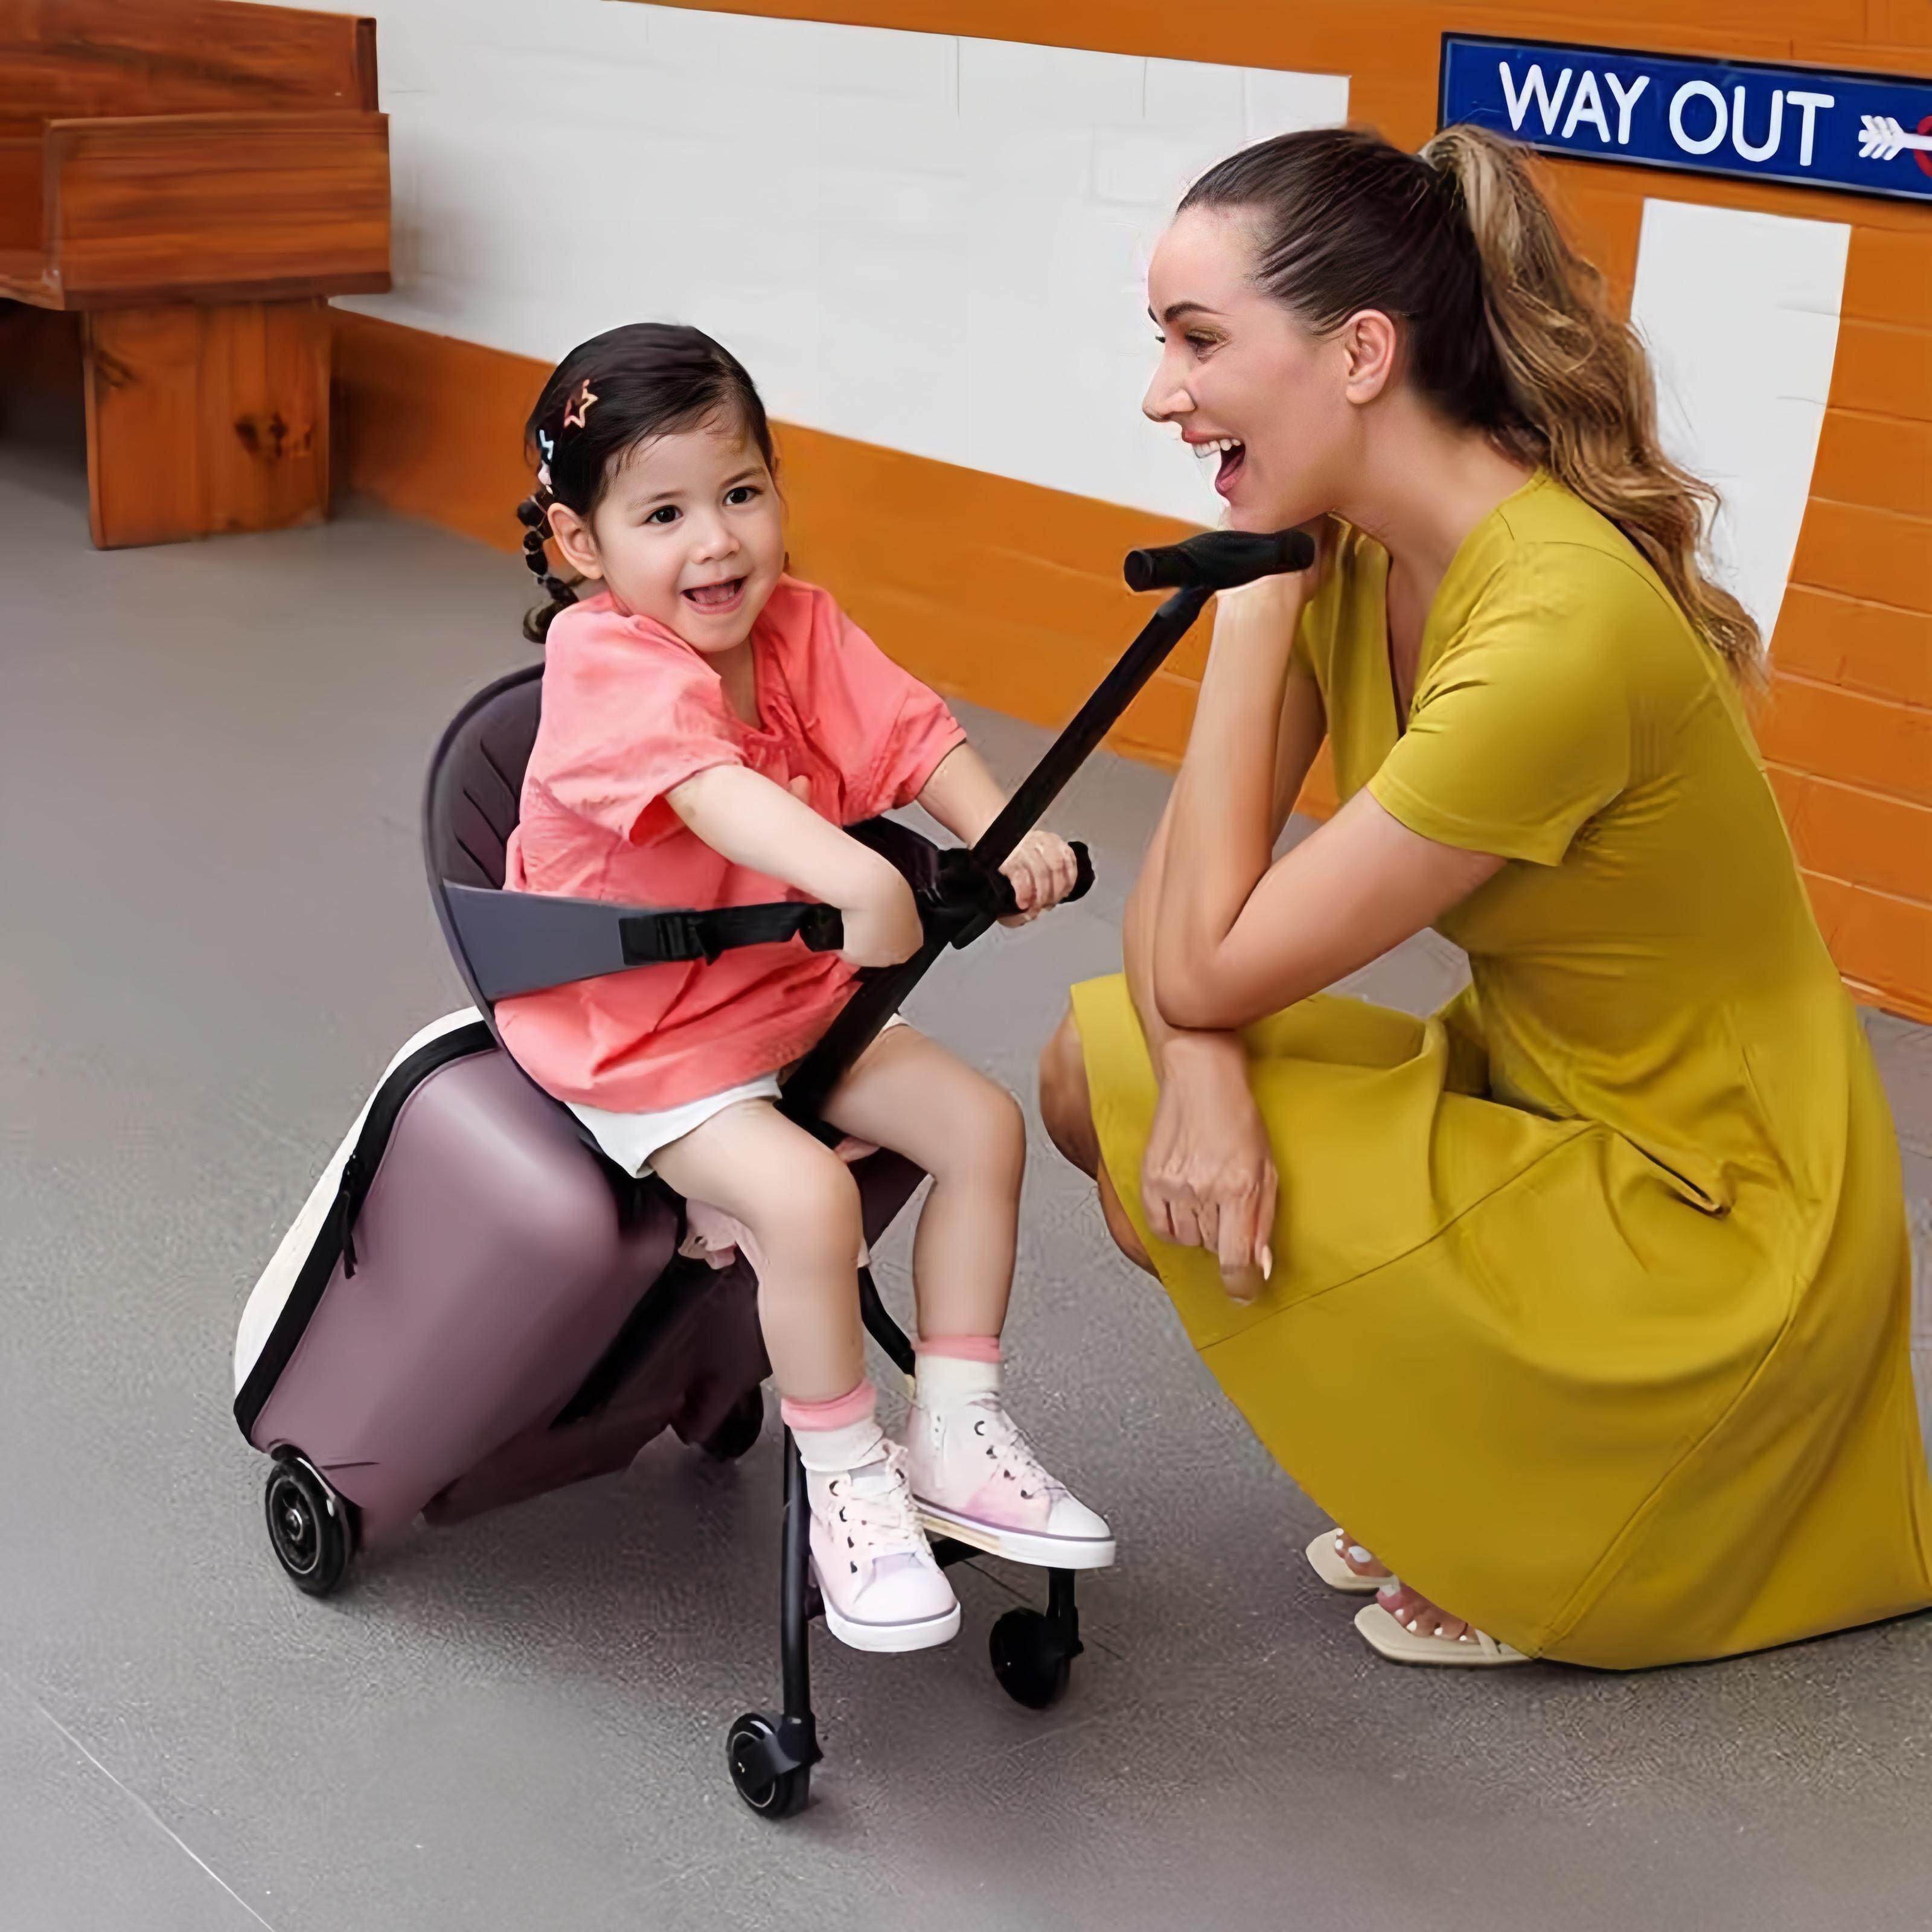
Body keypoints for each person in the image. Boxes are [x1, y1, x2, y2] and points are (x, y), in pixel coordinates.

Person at [1039, 125, 1930, 1668]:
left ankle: (1569, 1494)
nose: (1161, 393)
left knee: (1149, 1068)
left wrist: (1247, 612)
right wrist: (1202, 1070)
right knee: (1099, 1076)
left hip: (1714, 1210)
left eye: (1197, 342)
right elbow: (1178, 945)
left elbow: (1204, 964)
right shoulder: (1355, 551)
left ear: (1360, 353)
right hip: (1539, 1101)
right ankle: (1485, 1459)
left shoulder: (1554, 633)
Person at [499, 324, 1114, 1654]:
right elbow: (711, 793)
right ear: (582, 542)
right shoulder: (604, 663)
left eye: (741, 493)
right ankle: (846, 1484)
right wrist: (858, 878)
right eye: (663, 514)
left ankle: (954, 1430)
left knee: (982, 1129)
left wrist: (1001, 836)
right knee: (809, 1197)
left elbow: (911, 734)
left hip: (781, 999)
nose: (716, 543)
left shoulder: (800, 624)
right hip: (643, 1034)